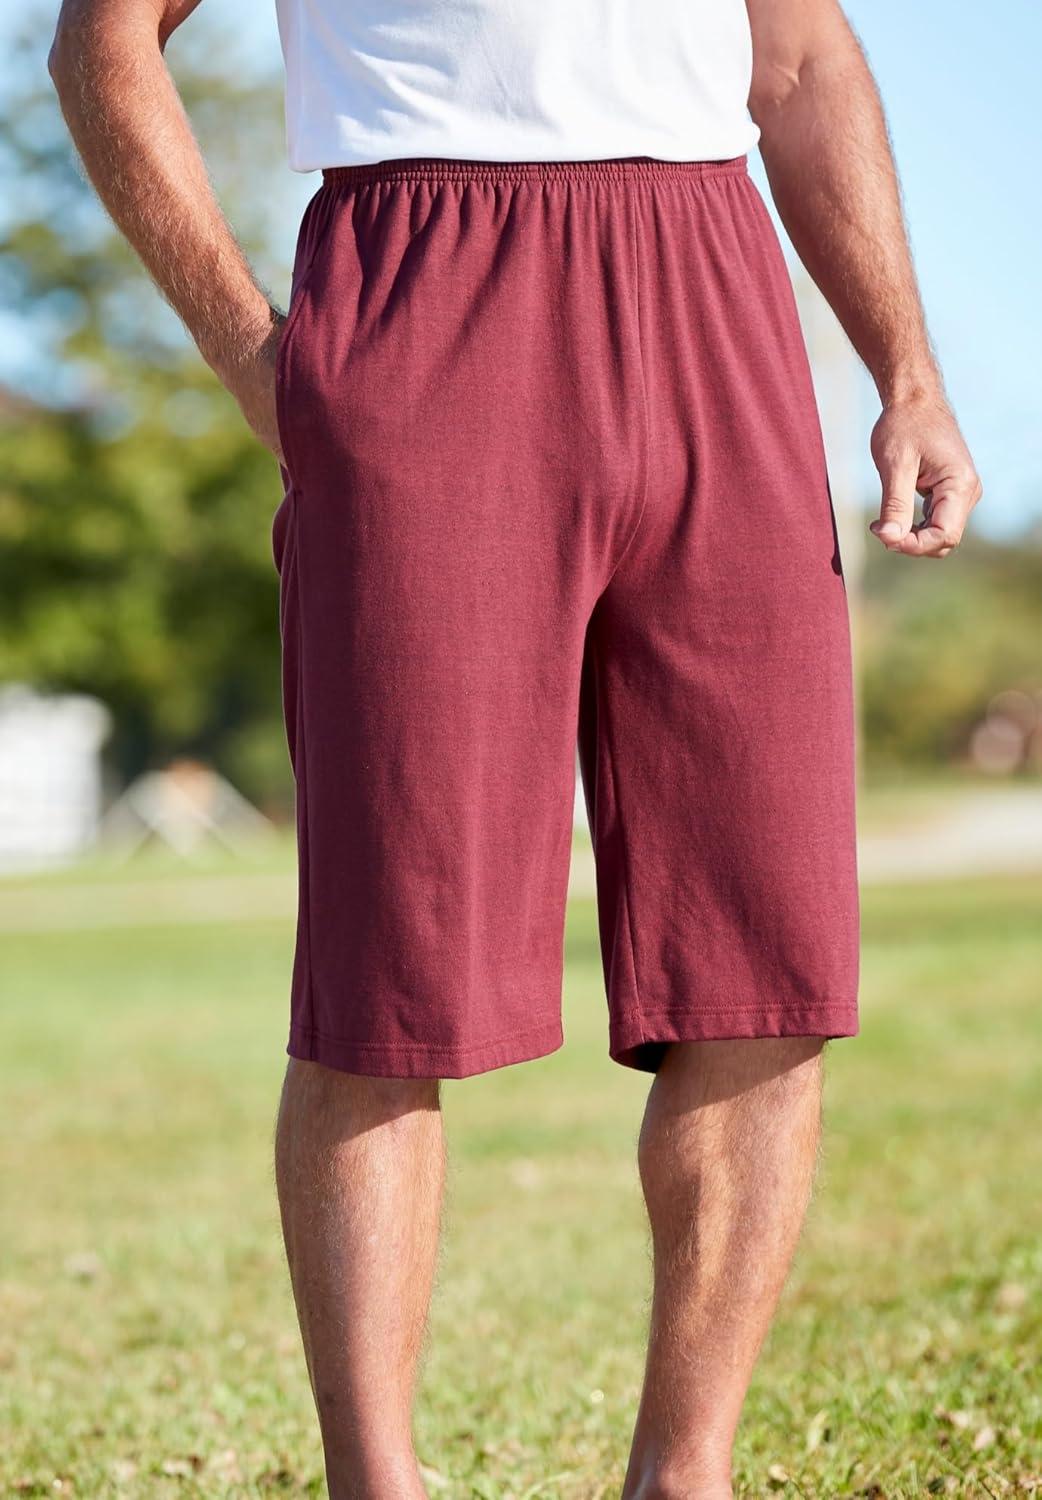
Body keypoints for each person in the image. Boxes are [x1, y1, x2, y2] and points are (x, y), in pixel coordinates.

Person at [50, 0, 981, 1494]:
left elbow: (802, 63)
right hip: (424, 276)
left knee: (764, 951)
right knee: (388, 970)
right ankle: (378, 1482)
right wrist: (256, 356)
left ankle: (685, 1475)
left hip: (715, 281)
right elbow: (103, 43)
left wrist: (907, 373)